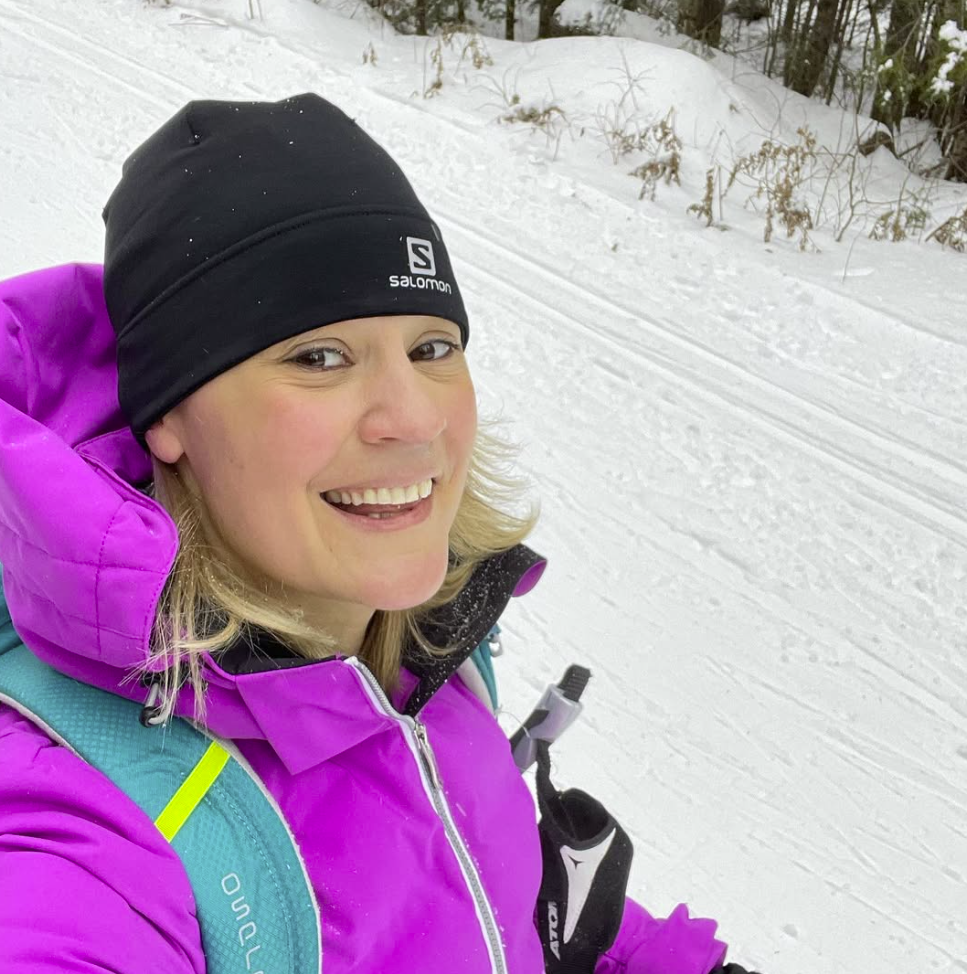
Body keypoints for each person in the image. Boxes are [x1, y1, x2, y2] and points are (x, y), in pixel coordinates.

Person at [0, 93, 757, 974]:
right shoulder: (83, 817)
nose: (411, 418)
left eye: (431, 347)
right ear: (169, 414)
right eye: (319, 358)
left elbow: (483, 895)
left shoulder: (419, 643)